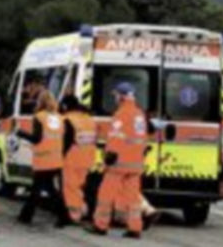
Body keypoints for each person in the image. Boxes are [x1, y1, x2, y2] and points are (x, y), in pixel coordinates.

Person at [86, 82, 147, 238]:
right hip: (135, 164)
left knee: (105, 195)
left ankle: (100, 225)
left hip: (119, 164)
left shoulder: (121, 114)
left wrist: (109, 156)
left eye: (116, 95)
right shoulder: (139, 114)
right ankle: (135, 228)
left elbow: (116, 136)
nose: (115, 97)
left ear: (122, 96)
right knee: (133, 198)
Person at [15, 90, 69, 226]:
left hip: (43, 159)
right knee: (49, 189)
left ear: (40, 102)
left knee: (37, 189)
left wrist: (20, 133)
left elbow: (36, 139)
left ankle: (26, 216)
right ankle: (62, 216)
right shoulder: (60, 118)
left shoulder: (39, 117)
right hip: (56, 159)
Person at [61, 94, 97, 224]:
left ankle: (75, 214)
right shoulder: (89, 119)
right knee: (80, 186)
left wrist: (59, 156)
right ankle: (83, 208)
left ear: (66, 106)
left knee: (71, 187)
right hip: (88, 157)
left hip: (72, 159)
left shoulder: (68, 119)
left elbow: (66, 141)